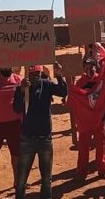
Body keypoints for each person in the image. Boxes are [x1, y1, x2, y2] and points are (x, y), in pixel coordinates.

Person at [13, 63, 68, 199]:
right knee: (21, 180)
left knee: (46, 179)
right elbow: (17, 108)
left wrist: (60, 75)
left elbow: (62, 92)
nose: (35, 77)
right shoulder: (22, 88)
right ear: (28, 75)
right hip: (28, 138)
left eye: (37, 74)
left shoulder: (46, 85)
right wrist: (21, 91)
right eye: (32, 75)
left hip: (45, 138)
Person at [66, 43, 105, 180]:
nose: (90, 68)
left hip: (99, 121)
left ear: (96, 66)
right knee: (83, 148)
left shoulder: (101, 80)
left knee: (101, 146)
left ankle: (102, 170)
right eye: (87, 66)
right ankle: (82, 172)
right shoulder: (80, 83)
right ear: (83, 68)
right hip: (84, 124)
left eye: (92, 65)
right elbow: (73, 98)